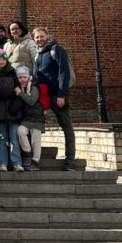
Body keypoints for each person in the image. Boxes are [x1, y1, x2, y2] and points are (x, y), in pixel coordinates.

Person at [33, 26, 76, 170]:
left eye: (41, 36)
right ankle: (34, 158)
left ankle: (70, 161)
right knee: (36, 126)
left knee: (66, 127)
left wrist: (61, 94)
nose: (39, 39)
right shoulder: (38, 54)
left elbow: (64, 73)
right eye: (37, 37)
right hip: (43, 96)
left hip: (57, 95)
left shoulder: (56, 50)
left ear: (47, 36)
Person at [0, 50, 23, 172]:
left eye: (3, 59)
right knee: (2, 137)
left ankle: (17, 163)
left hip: (12, 109)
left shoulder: (12, 71)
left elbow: (17, 89)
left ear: (6, 60)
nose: (1, 62)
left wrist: (10, 93)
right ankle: (2, 163)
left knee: (14, 137)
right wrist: (7, 92)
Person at [16, 65, 43, 171]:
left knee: (36, 139)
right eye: (20, 77)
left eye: (24, 77)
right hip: (26, 118)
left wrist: (21, 93)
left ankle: (35, 161)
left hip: (37, 118)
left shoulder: (34, 87)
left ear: (28, 77)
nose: (22, 79)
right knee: (20, 131)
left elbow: (32, 101)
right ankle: (27, 153)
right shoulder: (19, 88)